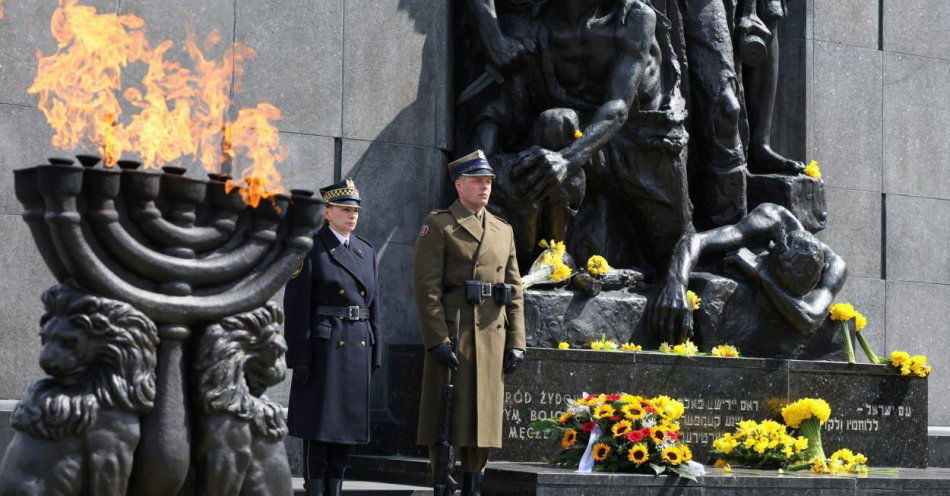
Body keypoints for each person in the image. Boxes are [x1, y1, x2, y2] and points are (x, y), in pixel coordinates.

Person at [412, 150, 526, 495]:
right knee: (446, 417)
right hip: (456, 331)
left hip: (492, 334)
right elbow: (426, 288)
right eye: (477, 181)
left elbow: (515, 288)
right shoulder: (440, 224)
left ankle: (474, 485)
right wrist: (437, 340)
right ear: (458, 184)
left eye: (488, 181)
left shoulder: (502, 229)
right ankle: (442, 480)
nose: (484, 187)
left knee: (483, 419)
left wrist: (517, 342)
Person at [283, 179, 382, 496]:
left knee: (347, 431)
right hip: (325, 349)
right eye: (345, 210)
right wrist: (299, 355)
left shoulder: (366, 251)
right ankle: (314, 490)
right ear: (327, 212)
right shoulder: (311, 249)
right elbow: (296, 307)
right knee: (320, 428)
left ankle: (335, 489)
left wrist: (376, 352)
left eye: (355, 210)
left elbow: (375, 306)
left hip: (358, 346)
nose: (352, 216)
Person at [649, 203, 847, 356]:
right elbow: (695, 240)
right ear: (773, 249)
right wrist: (676, 284)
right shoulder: (770, 220)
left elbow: (809, 319)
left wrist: (760, 274)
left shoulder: (835, 268)